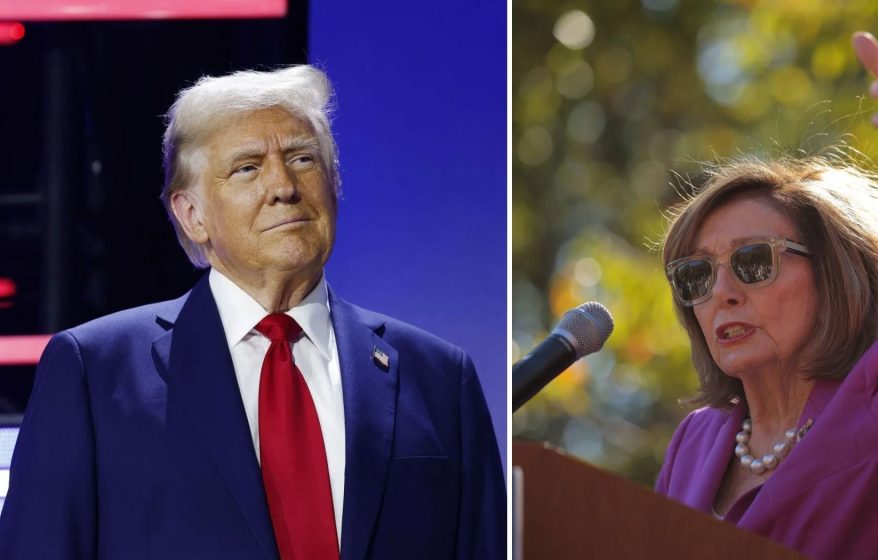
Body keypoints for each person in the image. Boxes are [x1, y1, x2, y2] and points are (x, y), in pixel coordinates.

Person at [0, 65, 505, 559]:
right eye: (248, 167)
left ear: (335, 185)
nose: (284, 186)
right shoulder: (95, 374)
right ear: (192, 215)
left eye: (303, 159)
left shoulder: (440, 379)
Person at [654, 0, 878, 559]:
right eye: (696, 275)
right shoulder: (694, 443)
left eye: (753, 262)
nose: (721, 293)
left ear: (835, 277)